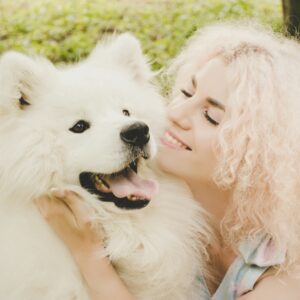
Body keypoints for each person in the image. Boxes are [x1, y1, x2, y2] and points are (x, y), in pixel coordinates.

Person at [37, 23, 300, 299]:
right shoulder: (163, 208)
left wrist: (89, 256)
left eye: (210, 116)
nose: (175, 114)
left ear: (259, 152)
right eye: (186, 93)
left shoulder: (286, 272)